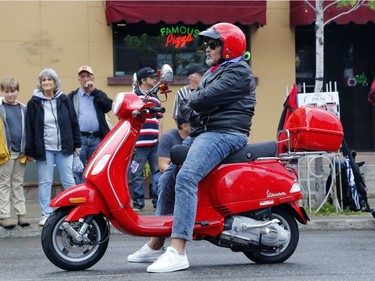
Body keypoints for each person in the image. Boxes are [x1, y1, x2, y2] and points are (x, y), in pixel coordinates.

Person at [127, 22, 256, 273]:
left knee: (187, 177)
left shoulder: (239, 71)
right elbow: (191, 106)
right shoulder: (214, 71)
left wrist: (198, 102)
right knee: (168, 177)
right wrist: (197, 103)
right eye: (207, 44)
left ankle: (178, 251)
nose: (207, 48)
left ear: (228, 47)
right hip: (205, 132)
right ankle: (156, 244)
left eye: (213, 44)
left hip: (226, 133)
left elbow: (200, 99)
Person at [25, 68, 81, 226]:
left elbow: (73, 122)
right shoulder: (34, 103)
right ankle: (46, 213)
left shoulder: (64, 99)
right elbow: (29, 128)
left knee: (69, 180)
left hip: (64, 147)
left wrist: (77, 143)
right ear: (40, 84)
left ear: (55, 82)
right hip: (44, 149)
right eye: (43, 80)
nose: (46, 83)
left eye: (49, 80)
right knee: (45, 181)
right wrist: (29, 151)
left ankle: (73, 211)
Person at [68, 66, 113, 184]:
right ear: (78, 79)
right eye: (82, 76)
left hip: (97, 138)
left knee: (97, 168)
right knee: (78, 170)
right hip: (80, 139)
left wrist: (95, 91)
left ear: (93, 78)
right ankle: (81, 197)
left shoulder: (98, 94)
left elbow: (109, 106)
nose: (85, 79)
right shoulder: (72, 97)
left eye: (88, 76)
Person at [130, 67, 163, 212]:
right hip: (139, 144)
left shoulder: (155, 98)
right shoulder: (133, 97)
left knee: (158, 172)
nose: (155, 80)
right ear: (143, 80)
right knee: (137, 173)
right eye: (151, 77)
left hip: (154, 144)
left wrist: (160, 140)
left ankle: (158, 202)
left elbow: (160, 121)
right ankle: (138, 202)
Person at [0, 78, 29, 228]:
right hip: (6, 153)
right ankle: (4, 215)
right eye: (7, 91)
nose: (10, 94)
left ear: (17, 91)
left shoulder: (22, 108)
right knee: (4, 183)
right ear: (2, 92)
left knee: (18, 184)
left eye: (13, 91)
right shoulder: (0, 108)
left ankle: (21, 214)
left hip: (21, 152)